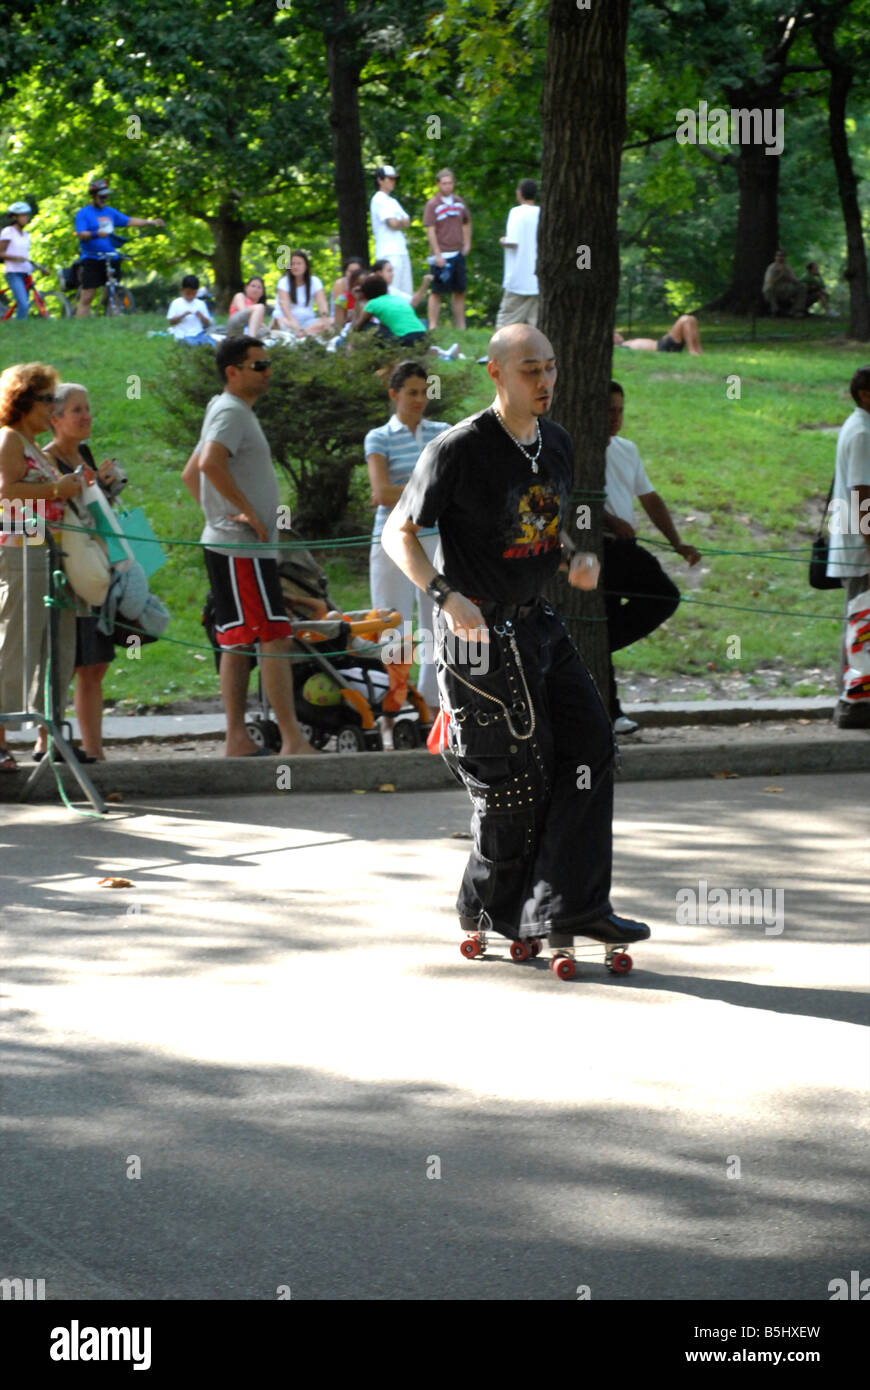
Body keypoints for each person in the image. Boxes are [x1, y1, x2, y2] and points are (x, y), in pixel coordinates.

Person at [381, 322, 651, 951]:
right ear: (495, 372)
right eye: (531, 369)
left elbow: (539, 531)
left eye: (551, 367)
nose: (546, 380)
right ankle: (491, 907)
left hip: (538, 624)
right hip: (477, 637)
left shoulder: (555, 442)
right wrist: (446, 597)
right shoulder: (459, 447)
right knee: (515, 780)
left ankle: (574, 905)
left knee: (591, 748)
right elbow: (400, 532)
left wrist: (571, 559)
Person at [180, 337, 316, 758]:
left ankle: (237, 739)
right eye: (259, 365)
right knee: (274, 637)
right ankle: (292, 740)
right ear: (232, 372)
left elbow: (190, 474)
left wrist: (218, 518)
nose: (267, 371)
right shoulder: (229, 411)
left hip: (235, 547)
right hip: (241, 550)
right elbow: (206, 465)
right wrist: (244, 516)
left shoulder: (227, 410)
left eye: (268, 363)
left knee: (239, 640)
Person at [0, 362, 97, 772]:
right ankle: (1, 739)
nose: (53, 407)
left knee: (55, 647)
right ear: (24, 400)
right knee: (14, 643)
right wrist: (60, 486)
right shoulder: (8, 439)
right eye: (48, 399)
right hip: (18, 550)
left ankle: (49, 736)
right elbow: (7, 491)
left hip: (46, 550)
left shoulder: (32, 444)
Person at [602, 381, 701, 733]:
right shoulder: (576, 448)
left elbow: (650, 499)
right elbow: (570, 499)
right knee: (607, 615)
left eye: (620, 410)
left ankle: (596, 646)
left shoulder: (627, 449)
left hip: (624, 549)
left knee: (663, 597)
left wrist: (677, 542)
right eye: (608, 410)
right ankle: (610, 713)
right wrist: (609, 520)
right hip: (598, 549)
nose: (615, 417)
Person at [44, 383, 128, 760]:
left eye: (88, 408)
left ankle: (95, 750)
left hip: (96, 571)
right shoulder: (43, 462)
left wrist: (105, 488)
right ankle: (47, 742)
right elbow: (41, 517)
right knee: (61, 664)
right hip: (65, 575)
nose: (87, 415)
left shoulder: (86, 455)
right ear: (54, 419)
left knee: (95, 664)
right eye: (77, 409)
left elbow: (96, 514)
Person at [365, 361, 451, 716]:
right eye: (411, 392)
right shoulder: (379, 437)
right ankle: (393, 704)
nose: (419, 399)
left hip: (434, 539)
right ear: (394, 394)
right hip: (392, 540)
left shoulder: (442, 432)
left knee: (437, 623)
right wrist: (431, 492)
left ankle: (432, 707)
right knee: (391, 621)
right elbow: (381, 493)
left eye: (424, 392)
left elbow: (455, 484)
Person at [827, 364, 870, 730]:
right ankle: (854, 703)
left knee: (861, 620)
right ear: (865, 395)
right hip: (860, 549)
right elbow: (862, 494)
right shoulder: (862, 433)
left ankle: (855, 698)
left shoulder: (859, 426)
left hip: (857, 545)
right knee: (862, 621)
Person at [73, 178, 165, 318]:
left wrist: (150, 222)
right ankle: (79, 326)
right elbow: (81, 234)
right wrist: (96, 233)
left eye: (106, 196)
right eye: (101, 196)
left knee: (114, 291)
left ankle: (114, 321)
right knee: (88, 296)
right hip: (91, 258)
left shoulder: (110, 212)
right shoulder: (83, 213)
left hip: (111, 257)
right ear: (93, 196)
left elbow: (129, 221)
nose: (104, 199)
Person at [423, 169, 471, 331]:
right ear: (438, 184)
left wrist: (467, 242)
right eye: (444, 183)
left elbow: (466, 221)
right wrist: (437, 253)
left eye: (450, 183)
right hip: (441, 254)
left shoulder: (459, 202)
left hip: (458, 253)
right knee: (437, 292)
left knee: (459, 290)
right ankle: (433, 326)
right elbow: (430, 229)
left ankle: (461, 326)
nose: (447, 186)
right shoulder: (433, 204)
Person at [495, 179, 541, 328]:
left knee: (507, 320)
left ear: (520, 193)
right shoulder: (541, 213)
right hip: (538, 279)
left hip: (518, 277)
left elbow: (513, 242)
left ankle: (499, 351)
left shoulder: (516, 212)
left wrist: (503, 240)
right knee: (535, 323)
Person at [370, 165, 413, 298]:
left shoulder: (393, 201)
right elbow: (392, 224)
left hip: (401, 251)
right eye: (389, 179)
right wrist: (401, 222)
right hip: (388, 253)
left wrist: (399, 222)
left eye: (394, 179)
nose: (393, 182)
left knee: (406, 293)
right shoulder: (378, 199)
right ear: (380, 180)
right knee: (391, 292)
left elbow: (408, 221)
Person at [0, 202, 45, 321]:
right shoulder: (8, 231)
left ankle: (18, 325)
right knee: (23, 304)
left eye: (27, 215)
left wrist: (41, 268)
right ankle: (19, 330)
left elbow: (26, 257)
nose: (26, 218)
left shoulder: (26, 235)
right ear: (14, 217)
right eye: (23, 215)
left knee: (24, 305)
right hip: (13, 273)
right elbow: (1, 253)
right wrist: (16, 258)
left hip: (26, 273)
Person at [353, 273, 426, 346]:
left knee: (366, 326)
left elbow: (357, 326)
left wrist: (358, 299)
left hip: (406, 339)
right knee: (385, 325)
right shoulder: (397, 299)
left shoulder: (372, 304)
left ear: (366, 293)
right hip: (424, 336)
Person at [273, 251, 332, 336]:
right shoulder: (283, 282)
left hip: (308, 321)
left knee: (331, 321)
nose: (295, 266)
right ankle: (303, 333)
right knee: (283, 323)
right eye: (292, 264)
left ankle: (303, 333)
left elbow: (322, 305)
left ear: (306, 266)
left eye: (299, 263)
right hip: (287, 320)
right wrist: (296, 327)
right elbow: (285, 308)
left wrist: (325, 320)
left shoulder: (315, 281)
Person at [613, 315, 703, 354]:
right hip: (661, 348)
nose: (617, 334)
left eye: (616, 332)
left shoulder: (627, 343)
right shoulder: (621, 348)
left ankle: (699, 350)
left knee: (692, 319)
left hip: (662, 343)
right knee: (685, 319)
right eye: (614, 335)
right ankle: (692, 351)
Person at [166, 275, 216, 344]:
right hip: (183, 335)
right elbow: (171, 322)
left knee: (212, 342)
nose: (191, 296)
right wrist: (183, 315)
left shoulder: (200, 304)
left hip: (199, 334)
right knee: (191, 342)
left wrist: (200, 315)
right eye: (188, 293)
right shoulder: (176, 303)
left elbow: (207, 323)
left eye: (194, 293)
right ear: (181, 290)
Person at [761, 250, 808, 317]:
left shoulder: (788, 268)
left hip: (786, 290)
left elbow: (795, 281)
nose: (780, 258)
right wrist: (779, 276)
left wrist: (787, 276)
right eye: (778, 256)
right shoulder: (771, 268)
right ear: (775, 257)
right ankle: (775, 310)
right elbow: (769, 281)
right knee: (768, 289)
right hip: (774, 290)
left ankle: (796, 310)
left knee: (803, 286)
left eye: (782, 256)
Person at [330, 256, 366, 333]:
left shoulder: (370, 291)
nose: (353, 275)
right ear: (346, 272)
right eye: (350, 271)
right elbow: (339, 323)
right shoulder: (342, 297)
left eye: (356, 271)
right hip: (347, 327)